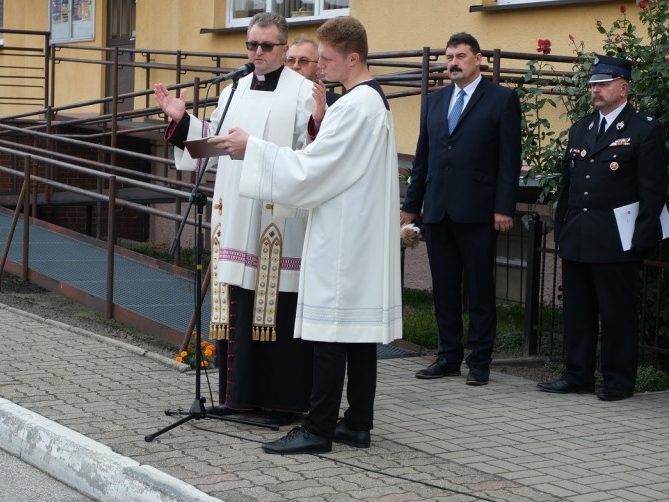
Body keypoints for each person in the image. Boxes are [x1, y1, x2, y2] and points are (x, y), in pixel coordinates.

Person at [210, 15, 402, 455]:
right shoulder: (373, 102)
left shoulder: (354, 107)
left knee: (330, 335)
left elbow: (311, 168)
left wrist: (252, 149)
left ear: (354, 58)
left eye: (328, 60)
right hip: (356, 231)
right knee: (356, 337)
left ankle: (317, 429)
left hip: (342, 238)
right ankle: (357, 424)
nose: (320, 69)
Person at [153, 12, 314, 423]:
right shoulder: (235, 88)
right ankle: (237, 399)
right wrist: (182, 120)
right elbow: (215, 136)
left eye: (266, 46)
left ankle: (281, 405)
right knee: (236, 303)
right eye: (251, 46)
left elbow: (312, 154)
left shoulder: (301, 93)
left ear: (283, 48)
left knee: (272, 309)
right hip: (233, 213)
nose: (257, 53)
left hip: (274, 217)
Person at [537, 54, 668, 401]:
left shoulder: (645, 129)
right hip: (579, 234)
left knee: (616, 314)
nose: (595, 89)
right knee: (577, 311)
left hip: (616, 238)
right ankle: (577, 374)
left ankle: (618, 381)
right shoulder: (582, 127)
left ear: (623, 87)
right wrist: (561, 227)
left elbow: (652, 190)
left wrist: (643, 234)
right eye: (593, 83)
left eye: (604, 83)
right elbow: (567, 186)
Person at [400, 32, 521, 386]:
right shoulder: (436, 102)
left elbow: (508, 161)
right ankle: (448, 356)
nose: (453, 63)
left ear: (478, 59)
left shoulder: (501, 99)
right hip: (438, 210)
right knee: (445, 289)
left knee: (481, 289)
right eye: (449, 57)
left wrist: (503, 207)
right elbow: (423, 158)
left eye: (460, 56)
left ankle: (480, 360)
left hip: (479, 211)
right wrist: (412, 205)